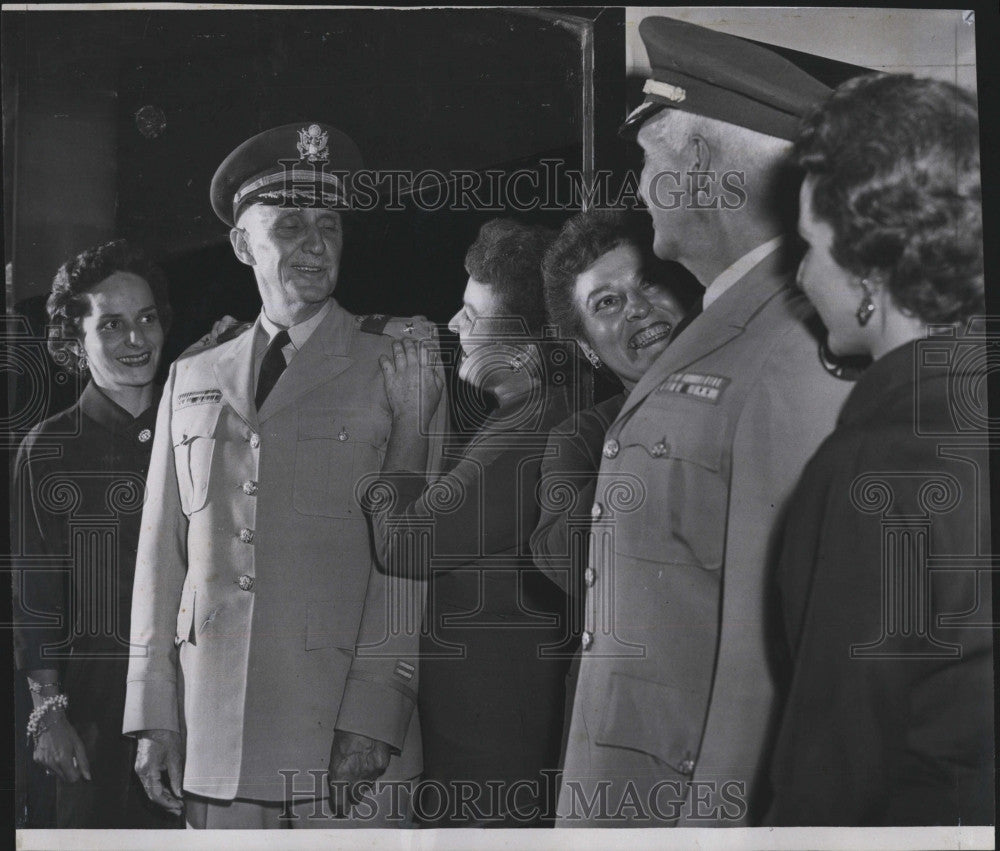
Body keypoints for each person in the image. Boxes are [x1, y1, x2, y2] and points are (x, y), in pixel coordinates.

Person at [556, 18, 859, 827]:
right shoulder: (727, 327)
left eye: (650, 159)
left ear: (695, 166)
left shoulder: (791, 343)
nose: (644, 184)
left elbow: (771, 652)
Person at [122, 122, 447, 829]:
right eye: (290, 223)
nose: (313, 241)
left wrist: (375, 711)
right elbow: (161, 559)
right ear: (243, 244)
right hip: (214, 739)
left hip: (342, 734)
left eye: (328, 224)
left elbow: (409, 561)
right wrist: (153, 714)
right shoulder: (192, 374)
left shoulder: (400, 358)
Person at [766, 74, 992, 826]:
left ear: (868, 272)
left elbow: (834, 769)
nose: (799, 275)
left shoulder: (877, 464)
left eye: (808, 246)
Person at [365, 219, 576, 826]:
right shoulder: (541, 410)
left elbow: (402, 543)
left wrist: (411, 418)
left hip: (491, 742)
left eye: (471, 315)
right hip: (500, 722)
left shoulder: (525, 433)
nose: (455, 326)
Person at [12, 239, 182, 828]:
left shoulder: (197, 424)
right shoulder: (50, 447)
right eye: (111, 325)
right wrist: (48, 716)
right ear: (74, 343)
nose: (136, 340)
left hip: (196, 698)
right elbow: (36, 599)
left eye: (146, 319)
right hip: (94, 709)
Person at [531, 209, 690, 597]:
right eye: (606, 303)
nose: (637, 307)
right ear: (587, 347)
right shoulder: (579, 439)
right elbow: (562, 563)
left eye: (648, 283)